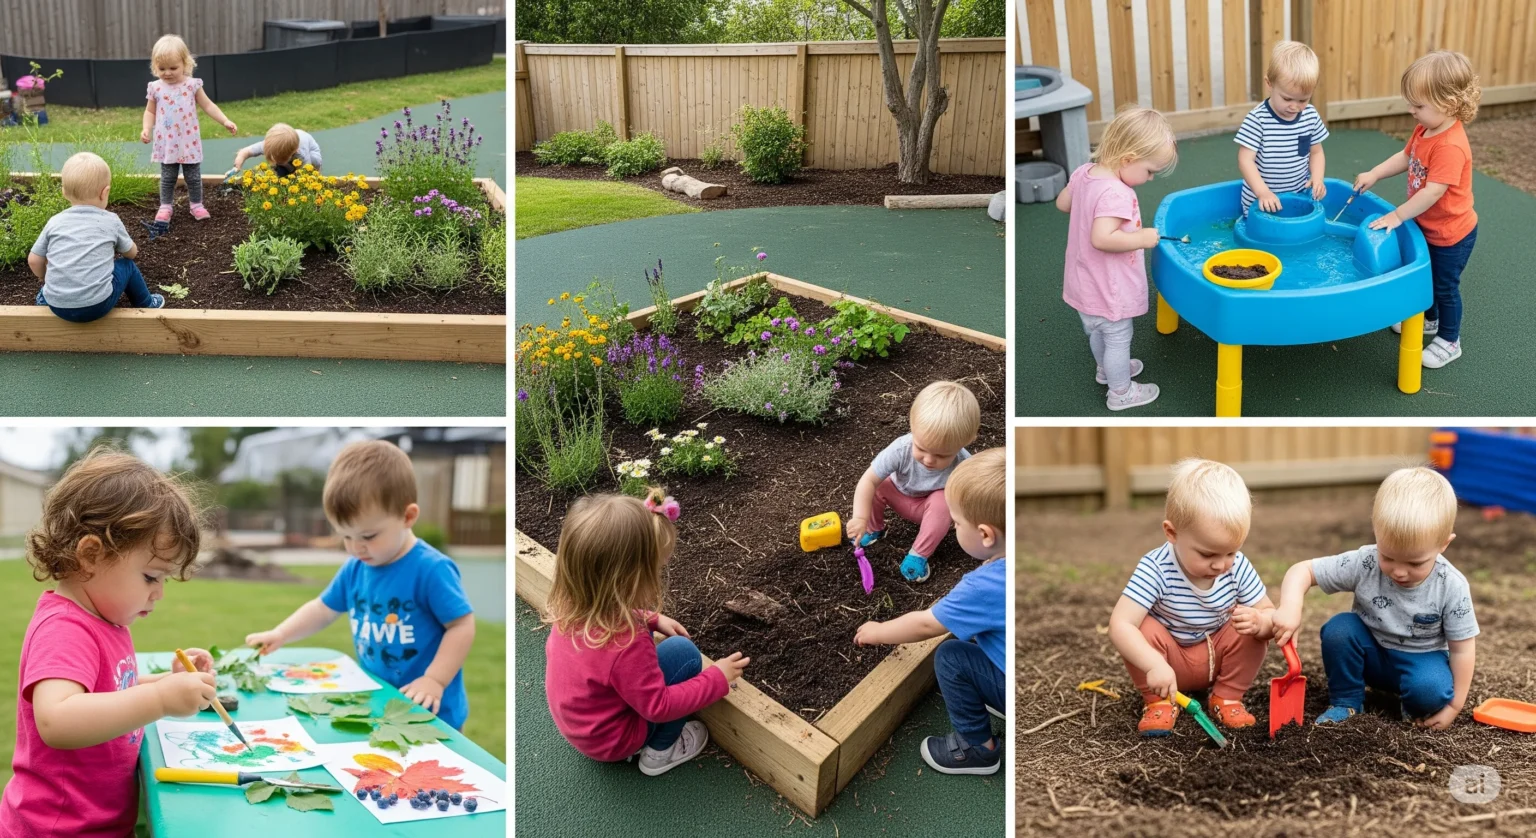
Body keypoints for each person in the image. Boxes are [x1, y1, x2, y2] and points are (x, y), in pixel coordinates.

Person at [0, 448, 215, 836]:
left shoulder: (105, 620)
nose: (159, 594)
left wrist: (166, 683)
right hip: (57, 828)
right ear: (90, 556)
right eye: (152, 577)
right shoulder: (65, 627)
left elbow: (109, 690)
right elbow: (58, 719)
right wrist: (162, 700)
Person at [245, 440, 477, 729]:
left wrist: (435, 679)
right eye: (345, 536)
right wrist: (281, 633)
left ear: (407, 517)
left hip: (428, 710)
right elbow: (322, 609)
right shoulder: (356, 567)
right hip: (377, 703)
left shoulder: (431, 569)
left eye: (368, 536)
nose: (356, 548)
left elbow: (461, 625)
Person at [543, 489, 750, 776]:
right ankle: (659, 754)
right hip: (615, 741)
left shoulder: (569, 609)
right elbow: (660, 706)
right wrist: (717, 678)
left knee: (673, 653)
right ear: (628, 580)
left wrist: (651, 618)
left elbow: (607, 608)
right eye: (655, 570)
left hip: (583, 728)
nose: (658, 576)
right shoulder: (626, 641)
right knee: (685, 654)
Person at [1271, 467, 1477, 729]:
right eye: (1388, 557)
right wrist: (1290, 607)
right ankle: (1346, 701)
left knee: (1429, 693)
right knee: (1339, 630)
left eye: (1415, 562)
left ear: (1444, 544)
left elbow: (1462, 649)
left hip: (1421, 659)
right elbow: (1304, 570)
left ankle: (1410, 704)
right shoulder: (1365, 562)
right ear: (1376, 532)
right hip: (1370, 654)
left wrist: (1454, 706)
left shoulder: (1451, 585)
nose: (1399, 572)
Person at [854, 448, 1008, 775]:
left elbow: (926, 625)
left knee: (951, 655)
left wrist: (878, 632)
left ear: (985, 534)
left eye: (956, 524)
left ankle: (978, 749)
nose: (953, 528)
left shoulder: (984, 587)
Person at [1108, 459, 1277, 736]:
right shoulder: (1156, 568)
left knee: (1248, 622)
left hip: (1217, 657)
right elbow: (1120, 625)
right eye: (1208, 554)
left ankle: (1227, 696)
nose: (1221, 565)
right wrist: (1154, 665)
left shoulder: (1238, 567)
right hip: (1166, 665)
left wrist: (1262, 622)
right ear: (1172, 533)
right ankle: (1158, 701)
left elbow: (1269, 612)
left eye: (1231, 552)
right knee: (1140, 627)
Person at [1356, 51, 1482, 369]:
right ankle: (1430, 318)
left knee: (1444, 285)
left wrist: (1398, 215)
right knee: (1425, 274)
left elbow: (1433, 191)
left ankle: (1450, 340)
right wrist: (1374, 173)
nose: (1411, 111)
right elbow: (1404, 157)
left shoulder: (1450, 145)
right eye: (1410, 103)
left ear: (1450, 103)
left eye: (1419, 105)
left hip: (1452, 233)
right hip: (1427, 225)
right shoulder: (1425, 130)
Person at [1055, 107, 1178, 410]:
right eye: (1149, 171)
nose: (1150, 179)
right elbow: (1102, 238)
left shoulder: (1085, 172)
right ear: (1128, 159)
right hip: (1108, 286)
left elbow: (1062, 203)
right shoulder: (1117, 193)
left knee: (1097, 330)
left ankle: (1105, 370)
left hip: (1083, 281)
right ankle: (1121, 392)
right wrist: (1142, 238)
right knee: (1118, 337)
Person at [846, 380, 981, 583]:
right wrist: (860, 518)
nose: (928, 460)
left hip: (933, 511)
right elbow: (867, 481)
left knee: (942, 500)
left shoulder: (964, 463)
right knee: (879, 484)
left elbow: (978, 495)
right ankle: (874, 529)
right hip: (899, 495)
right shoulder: (901, 449)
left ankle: (918, 554)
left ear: (967, 440)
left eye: (941, 455)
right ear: (912, 427)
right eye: (921, 448)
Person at [30, 151, 164, 320]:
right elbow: (131, 253)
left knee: (55, 275)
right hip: (98, 306)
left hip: (57, 306)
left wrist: (45, 277)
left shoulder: (55, 222)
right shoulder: (111, 221)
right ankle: (147, 303)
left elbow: (34, 260)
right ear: (105, 192)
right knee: (127, 265)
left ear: (63, 192)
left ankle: (44, 297)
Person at [140, 34, 237, 227]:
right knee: (168, 177)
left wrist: (225, 121)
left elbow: (208, 106)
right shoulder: (156, 88)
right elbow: (149, 111)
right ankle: (165, 206)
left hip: (188, 142)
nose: (167, 73)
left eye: (173, 68)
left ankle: (196, 204)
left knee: (193, 176)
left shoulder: (192, 85)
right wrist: (146, 129)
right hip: (167, 143)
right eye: (162, 68)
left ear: (185, 63)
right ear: (155, 67)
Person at [1235, 41, 1330, 213]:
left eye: (1303, 100)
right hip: (1261, 203)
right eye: (1287, 99)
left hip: (1298, 197)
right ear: (1269, 84)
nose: (1294, 106)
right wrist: (1263, 192)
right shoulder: (1258, 120)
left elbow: (1316, 152)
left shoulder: (1310, 115)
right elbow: (1245, 160)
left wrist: (1317, 177)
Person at [233, 123, 323, 176]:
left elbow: (305, 173)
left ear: (295, 151)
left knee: (315, 160)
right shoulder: (270, 145)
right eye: (275, 157)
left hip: (310, 153)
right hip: (289, 158)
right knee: (279, 174)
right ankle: (284, 169)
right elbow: (245, 152)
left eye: (281, 160)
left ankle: (290, 168)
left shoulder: (302, 153)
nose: (276, 160)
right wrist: (237, 165)